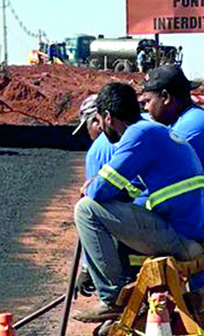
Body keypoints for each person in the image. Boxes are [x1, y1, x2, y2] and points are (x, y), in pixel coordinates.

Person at [71, 80, 204, 321]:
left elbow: (99, 192)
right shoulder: (152, 130)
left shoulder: (138, 135)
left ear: (108, 117)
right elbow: (135, 192)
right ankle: (135, 308)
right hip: (189, 232)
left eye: (100, 121)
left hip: (181, 238)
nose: (101, 128)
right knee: (109, 213)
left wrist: (91, 187)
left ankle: (112, 299)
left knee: (86, 210)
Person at [140, 62, 204, 170]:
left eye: (148, 101)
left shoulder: (190, 126)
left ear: (165, 97)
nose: (146, 108)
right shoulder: (187, 117)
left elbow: (154, 164)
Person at [72, 92, 111, 188]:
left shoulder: (97, 151)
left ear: (97, 121)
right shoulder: (134, 136)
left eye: (87, 127)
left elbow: (94, 191)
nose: (88, 133)